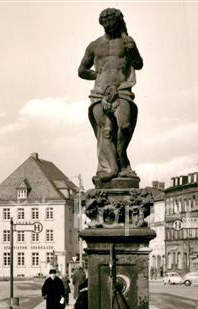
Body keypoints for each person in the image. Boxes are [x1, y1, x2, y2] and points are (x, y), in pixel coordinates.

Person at [78, 8, 143, 184]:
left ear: (118, 22)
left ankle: (122, 160)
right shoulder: (94, 45)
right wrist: (99, 76)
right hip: (99, 92)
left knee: (125, 125)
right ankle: (110, 168)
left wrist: (133, 50)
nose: (109, 26)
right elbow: (82, 70)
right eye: (105, 23)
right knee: (106, 131)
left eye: (112, 22)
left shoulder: (127, 42)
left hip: (122, 89)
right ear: (102, 24)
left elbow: (138, 64)